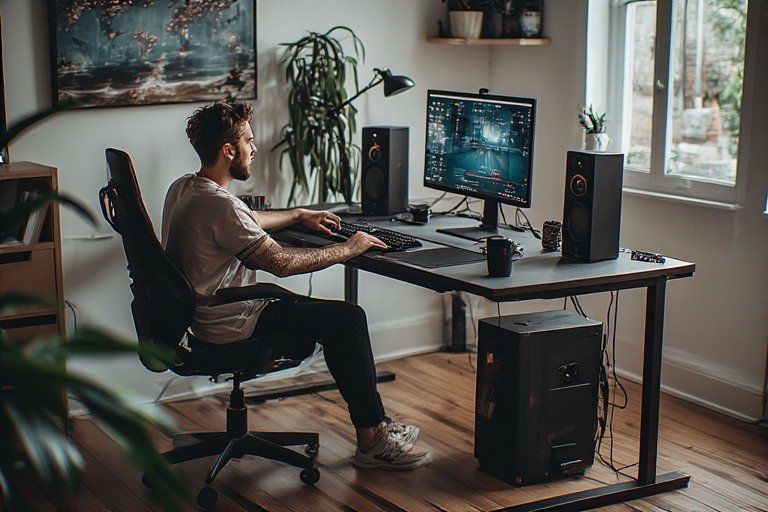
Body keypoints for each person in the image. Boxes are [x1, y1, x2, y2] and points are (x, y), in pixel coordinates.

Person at [161, 101, 432, 470]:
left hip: (206, 317)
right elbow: (282, 264)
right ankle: (372, 440)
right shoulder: (221, 207)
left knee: (333, 318)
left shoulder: (186, 189)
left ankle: (375, 430)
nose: (254, 149)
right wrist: (349, 247)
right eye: (248, 141)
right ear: (229, 150)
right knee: (348, 320)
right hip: (234, 322)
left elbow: (248, 218)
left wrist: (300, 215)